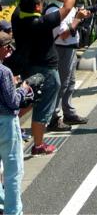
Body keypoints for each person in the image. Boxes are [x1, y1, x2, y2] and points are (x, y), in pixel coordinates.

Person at [11, 0, 80, 155]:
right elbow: (67, 7)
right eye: (40, 4)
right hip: (45, 71)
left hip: (27, 68)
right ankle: (39, 145)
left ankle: (12, 122)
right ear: (37, 7)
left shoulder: (17, 17)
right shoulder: (41, 23)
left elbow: (23, 6)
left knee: (27, 100)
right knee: (41, 108)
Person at [44, 0, 92, 129]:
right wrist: (77, 19)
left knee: (70, 83)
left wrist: (81, 17)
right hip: (61, 50)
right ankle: (54, 118)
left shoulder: (65, 5)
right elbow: (63, 34)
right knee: (61, 85)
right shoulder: (53, 9)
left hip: (69, 49)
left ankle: (69, 113)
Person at [0, 31, 30, 215]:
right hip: (5, 124)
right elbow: (13, 102)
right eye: (8, 47)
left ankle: (1, 203)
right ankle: (13, 211)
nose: (10, 50)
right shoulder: (4, 71)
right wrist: (23, 89)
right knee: (13, 170)